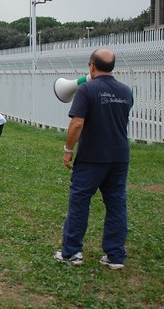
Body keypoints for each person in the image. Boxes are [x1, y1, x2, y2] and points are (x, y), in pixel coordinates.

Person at [54, 49, 133, 270]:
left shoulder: (87, 89)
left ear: (91, 66)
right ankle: (115, 256)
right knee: (117, 204)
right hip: (119, 156)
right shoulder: (126, 91)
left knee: (80, 202)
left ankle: (71, 252)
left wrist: (68, 149)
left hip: (92, 157)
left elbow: (77, 123)